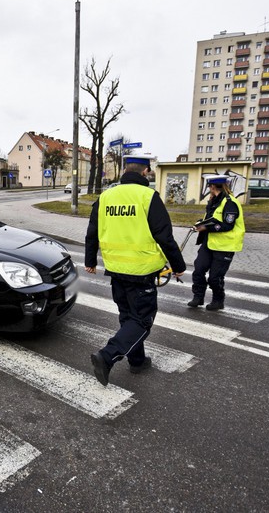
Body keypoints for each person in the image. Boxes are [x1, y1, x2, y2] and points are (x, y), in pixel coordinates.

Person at [85, 157, 186, 387]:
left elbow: (92, 232)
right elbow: (164, 236)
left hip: (116, 271)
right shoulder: (148, 197)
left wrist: (91, 260)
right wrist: (178, 265)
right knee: (141, 321)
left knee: (128, 318)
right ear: (146, 172)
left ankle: (137, 361)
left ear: (124, 171)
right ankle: (107, 356)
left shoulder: (106, 197)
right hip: (141, 273)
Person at [187, 175, 245, 311]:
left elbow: (228, 225)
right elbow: (212, 219)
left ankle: (218, 300)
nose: (208, 189)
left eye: (209, 186)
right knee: (199, 270)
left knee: (215, 277)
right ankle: (198, 297)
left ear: (212, 187)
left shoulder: (230, 202)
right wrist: (201, 223)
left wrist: (206, 227)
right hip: (209, 243)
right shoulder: (213, 201)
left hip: (225, 246)